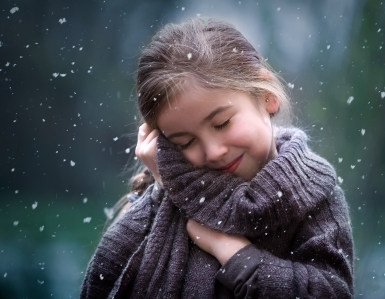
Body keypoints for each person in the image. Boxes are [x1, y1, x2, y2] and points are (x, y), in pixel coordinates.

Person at [80, 18, 354, 298]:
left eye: (222, 123)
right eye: (185, 142)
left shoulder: (314, 194)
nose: (213, 152)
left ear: (265, 95)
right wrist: (169, 184)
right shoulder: (159, 201)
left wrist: (233, 252)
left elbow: (331, 292)